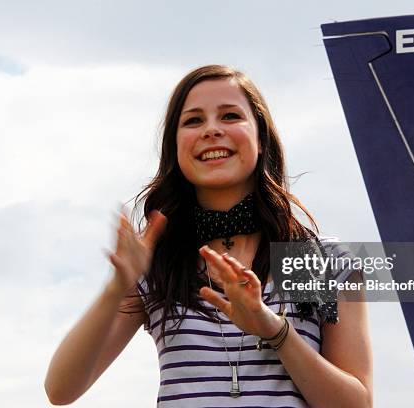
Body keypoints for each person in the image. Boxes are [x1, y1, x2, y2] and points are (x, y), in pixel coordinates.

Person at [44, 64, 372, 407]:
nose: (212, 130)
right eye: (193, 121)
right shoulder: (162, 262)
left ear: (261, 140)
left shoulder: (322, 259)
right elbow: (60, 390)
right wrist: (116, 287)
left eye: (230, 116)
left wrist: (274, 330)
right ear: (175, 147)